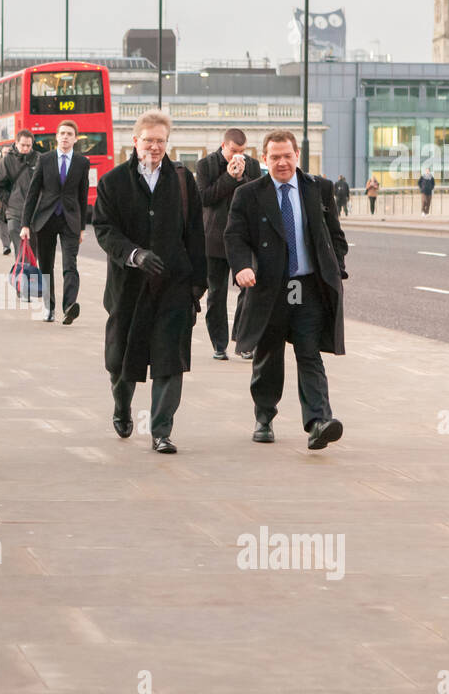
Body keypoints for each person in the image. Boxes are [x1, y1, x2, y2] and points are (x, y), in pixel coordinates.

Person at [225, 130, 348, 450]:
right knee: (268, 354)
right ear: (264, 160)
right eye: (275, 157)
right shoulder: (249, 194)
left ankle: (319, 421)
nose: (282, 162)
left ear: (297, 157)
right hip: (270, 287)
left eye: (287, 156)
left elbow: (334, 234)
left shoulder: (318, 189)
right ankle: (264, 416)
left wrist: (337, 267)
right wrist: (242, 267)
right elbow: (234, 236)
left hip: (306, 287)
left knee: (309, 353)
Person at [92, 110, 204, 454]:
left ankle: (161, 431)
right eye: (148, 140)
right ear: (135, 141)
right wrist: (135, 254)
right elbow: (104, 229)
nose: (154, 147)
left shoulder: (184, 182)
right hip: (128, 289)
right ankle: (122, 405)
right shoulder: (113, 182)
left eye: (160, 141)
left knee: (170, 361)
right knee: (120, 360)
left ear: (167, 143)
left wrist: (197, 288)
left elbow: (196, 236)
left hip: (173, 288)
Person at [195, 128, 261, 362]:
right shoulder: (205, 165)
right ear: (224, 146)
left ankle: (243, 341)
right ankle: (219, 344)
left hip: (244, 238)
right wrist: (229, 178)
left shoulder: (251, 165)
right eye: (234, 150)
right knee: (216, 293)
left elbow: (258, 195)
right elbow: (204, 198)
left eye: (242, 151)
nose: (238, 156)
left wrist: (242, 177)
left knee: (250, 290)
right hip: (214, 238)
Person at [20, 120, 90, 325]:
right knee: (46, 266)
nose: (66, 137)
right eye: (62, 133)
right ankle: (48, 307)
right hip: (46, 219)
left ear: (76, 138)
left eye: (70, 133)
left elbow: (83, 196)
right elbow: (32, 193)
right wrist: (25, 224)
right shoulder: (45, 159)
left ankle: (69, 306)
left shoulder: (81, 162)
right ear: (57, 137)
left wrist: (83, 227)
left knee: (70, 264)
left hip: (70, 220)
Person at [0, 130, 38, 259]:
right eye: (23, 145)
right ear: (16, 143)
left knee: (32, 254)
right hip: (15, 213)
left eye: (29, 146)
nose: (25, 148)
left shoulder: (39, 159)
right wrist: (12, 201)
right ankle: (22, 278)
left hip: (35, 214)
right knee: (22, 253)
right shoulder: (7, 160)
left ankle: (28, 278)